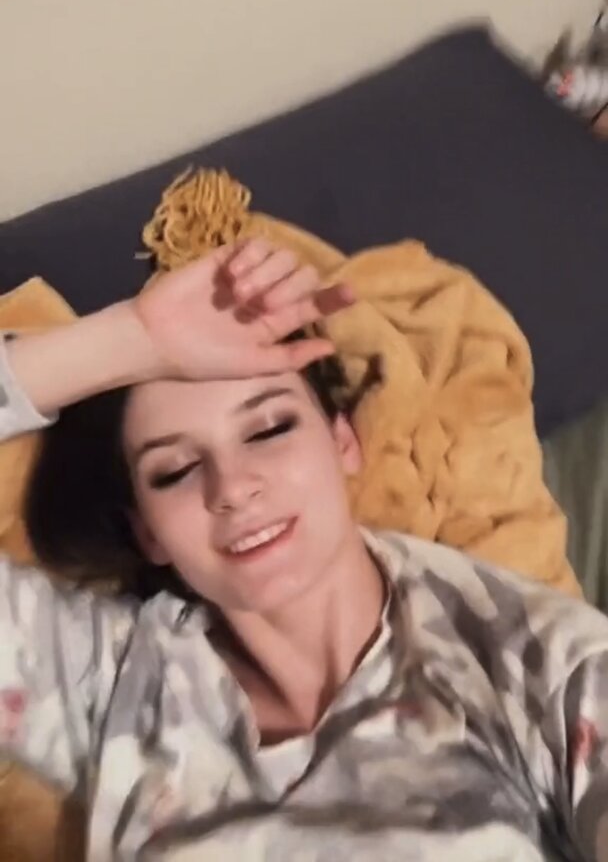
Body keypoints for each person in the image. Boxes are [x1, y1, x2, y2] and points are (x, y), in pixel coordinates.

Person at [2, 237, 608, 861]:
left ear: (344, 443)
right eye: (176, 470)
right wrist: (132, 340)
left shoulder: (542, 667)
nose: (232, 488)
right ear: (147, 531)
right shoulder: (109, 685)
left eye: (269, 429)